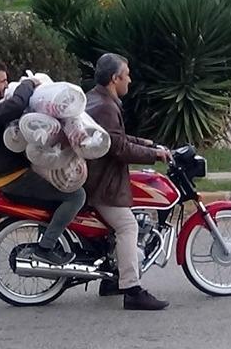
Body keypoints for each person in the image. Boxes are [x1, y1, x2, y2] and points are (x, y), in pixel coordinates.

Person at [0, 57, 86, 266]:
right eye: (2, 81)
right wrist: (29, 84)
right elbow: (15, 106)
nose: (6, 86)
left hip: (8, 174)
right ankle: (46, 247)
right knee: (75, 195)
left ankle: (50, 240)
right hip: (13, 177)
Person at [84, 53, 171, 311]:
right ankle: (132, 289)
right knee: (128, 227)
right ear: (115, 78)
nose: (130, 80)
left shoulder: (97, 97)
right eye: (127, 75)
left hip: (98, 176)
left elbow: (116, 138)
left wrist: (148, 144)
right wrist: (153, 154)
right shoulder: (105, 107)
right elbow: (118, 148)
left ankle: (112, 279)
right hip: (102, 184)